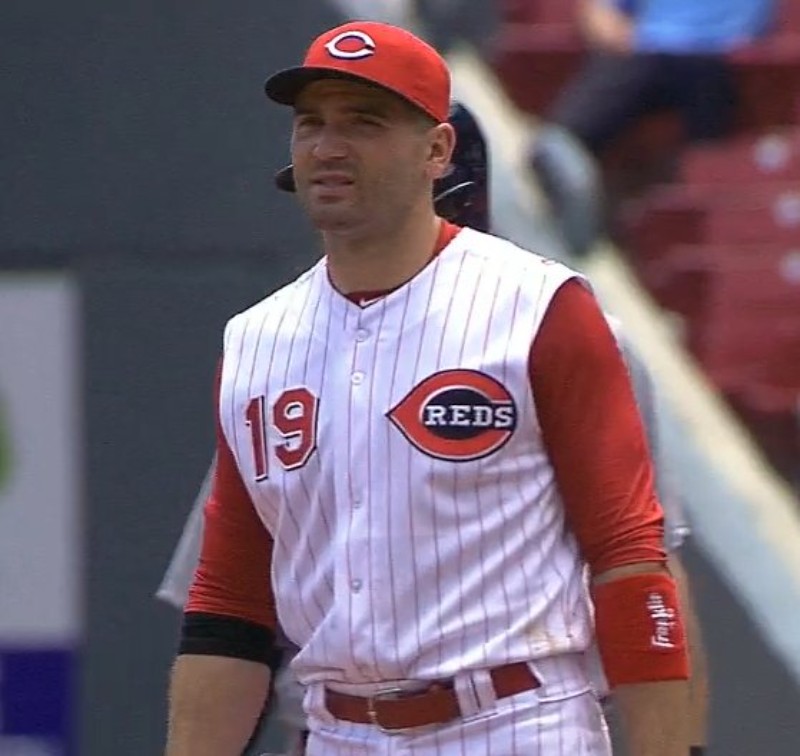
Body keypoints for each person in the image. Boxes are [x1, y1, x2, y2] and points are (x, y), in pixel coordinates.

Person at [165, 21, 692, 756]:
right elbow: (229, 602)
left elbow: (630, 558)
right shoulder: (257, 338)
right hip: (338, 731)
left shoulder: (539, 307)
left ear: (437, 151)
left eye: (365, 122)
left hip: (515, 721)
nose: (328, 145)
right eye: (311, 123)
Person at [530, 0, 777, 255]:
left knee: (704, 158)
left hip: (714, 68)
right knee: (566, 135)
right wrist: (617, 33)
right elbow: (602, 14)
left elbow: (756, 36)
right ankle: (573, 182)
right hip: (645, 53)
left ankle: (673, 219)